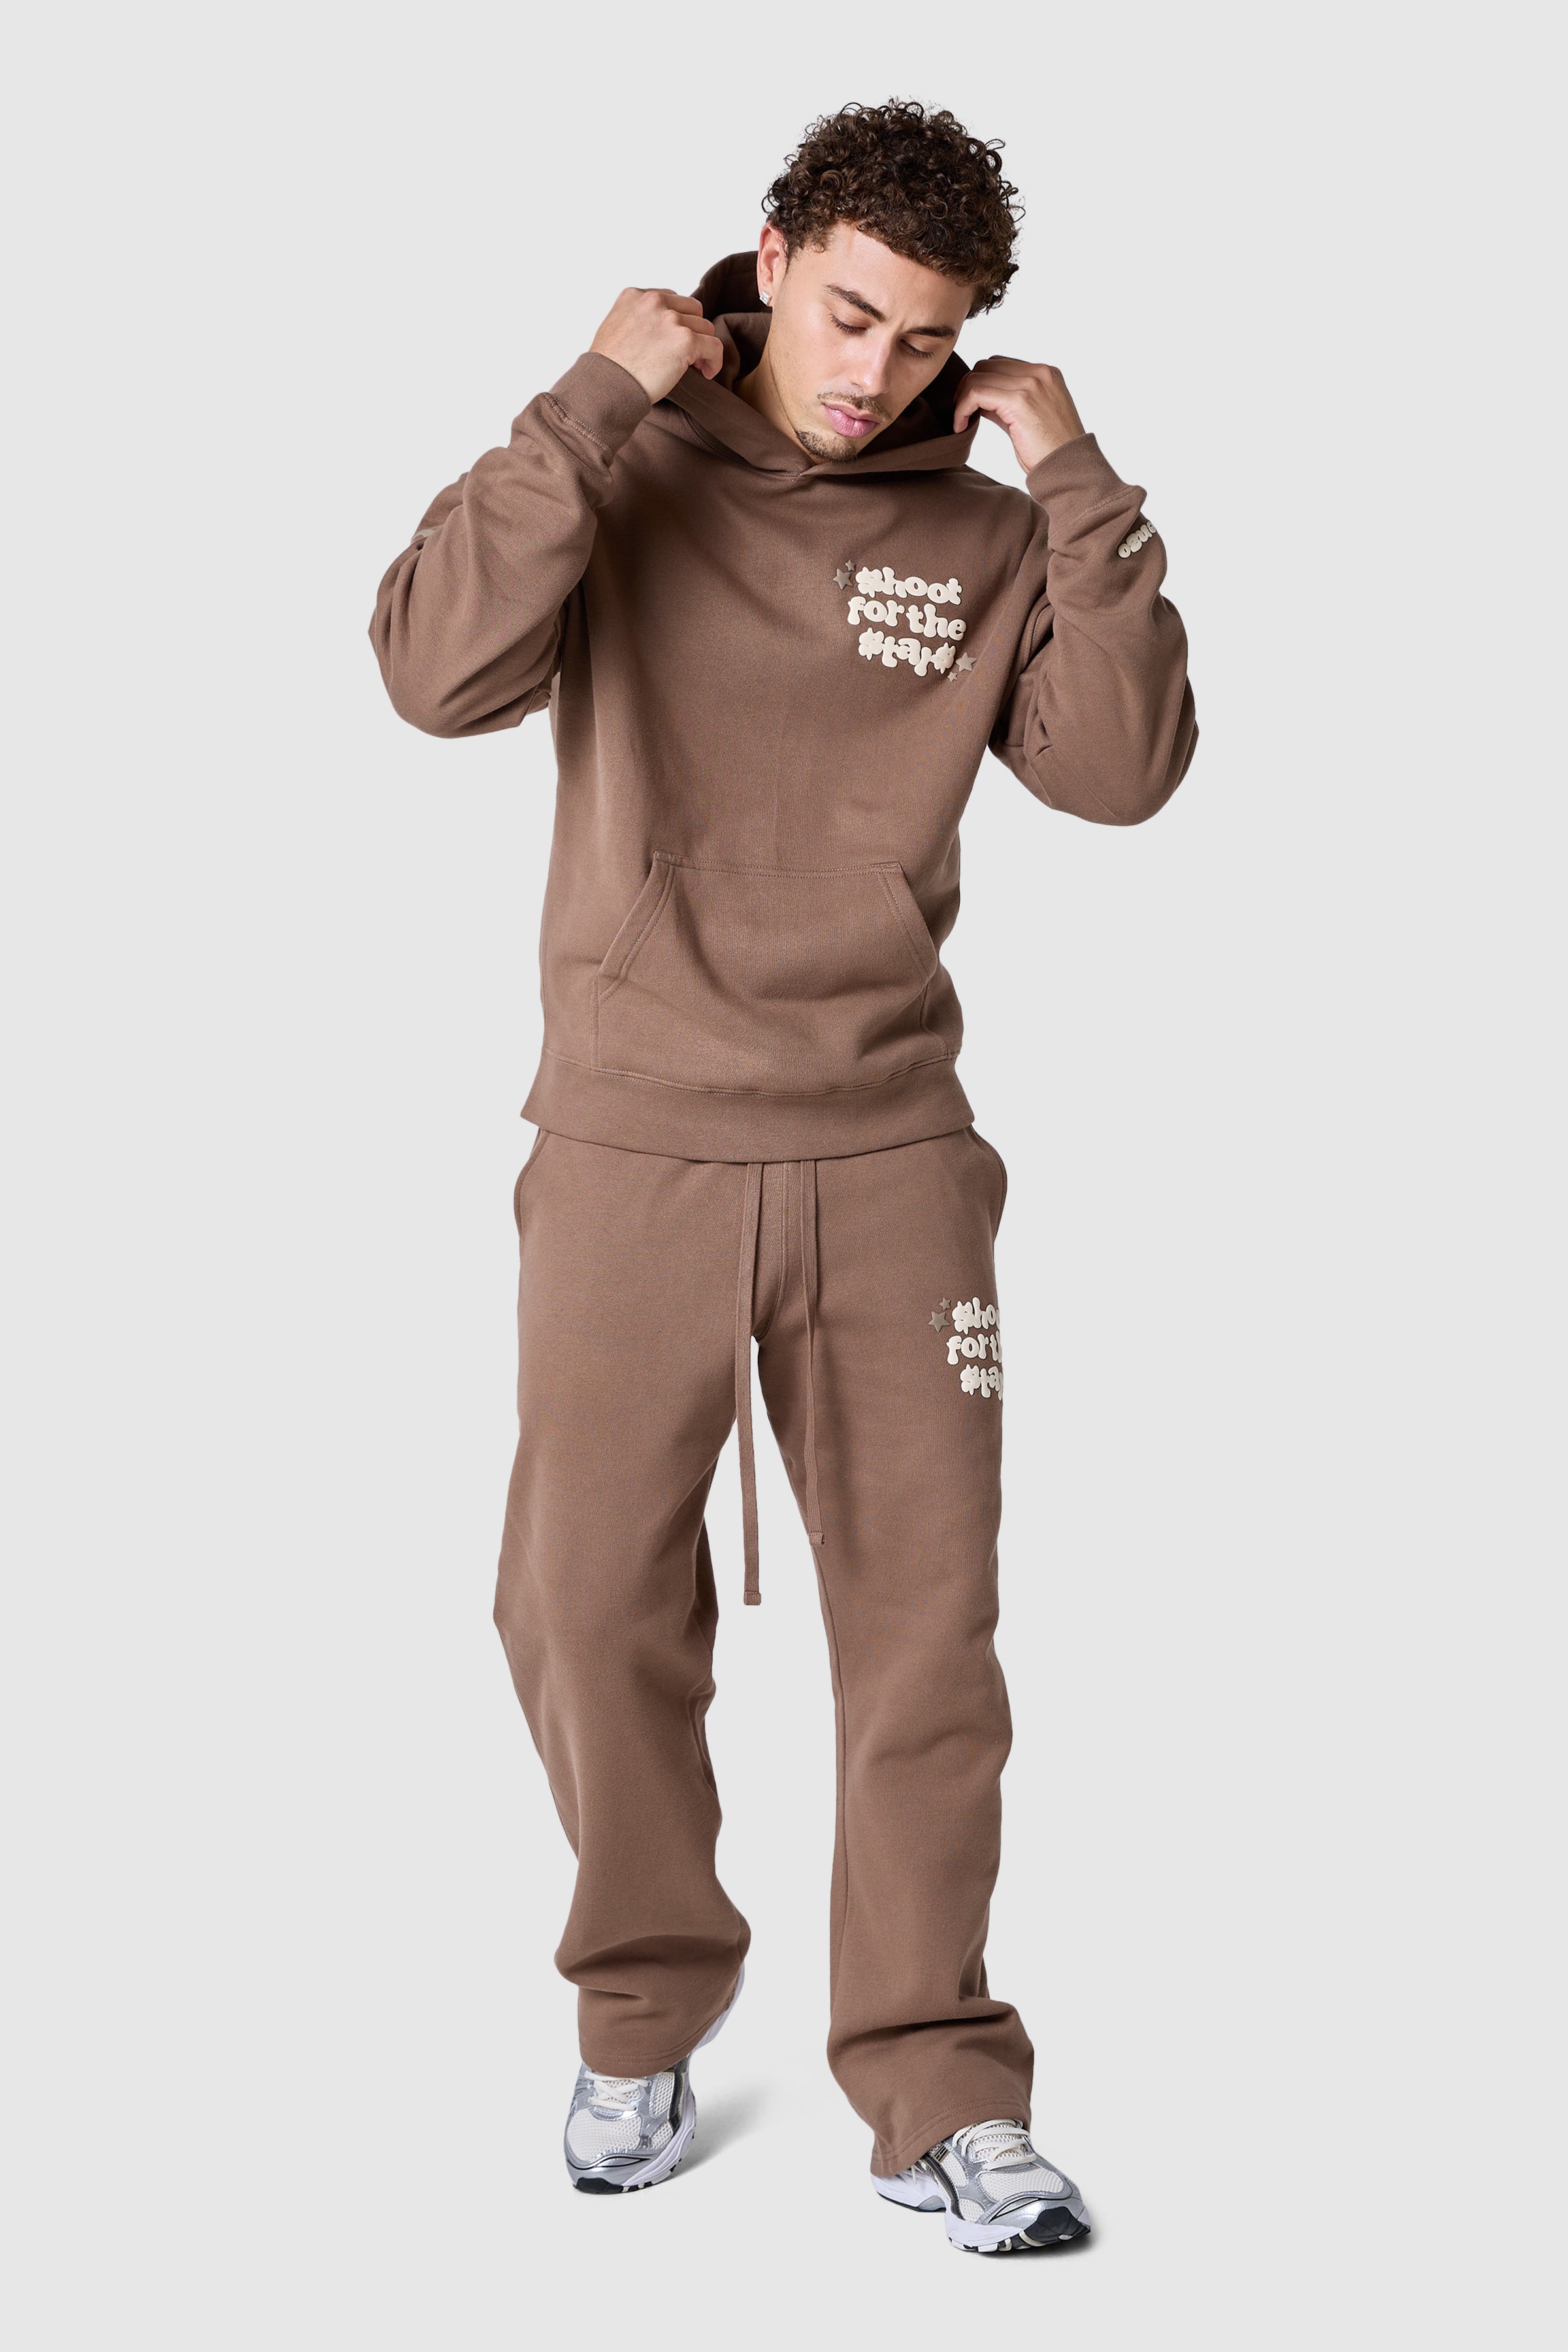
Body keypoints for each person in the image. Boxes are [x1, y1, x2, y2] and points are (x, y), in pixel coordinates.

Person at [370, 97, 1196, 2256]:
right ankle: (642, 2008)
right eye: (847, 316)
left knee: (929, 1637)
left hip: (891, 1155)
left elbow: (1122, 774)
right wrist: (586, 397)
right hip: (629, 1139)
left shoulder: (985, 532)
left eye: (925, 340)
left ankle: (941, 2087)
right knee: (577, 1603)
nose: (873, 373)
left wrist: (1077, 483)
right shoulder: (627, 458)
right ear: (772, 256)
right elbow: (432, 671)